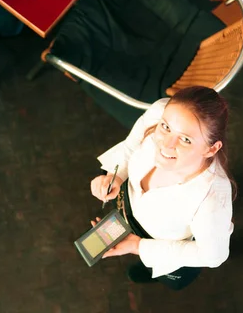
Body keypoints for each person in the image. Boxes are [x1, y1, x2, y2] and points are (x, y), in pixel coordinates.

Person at [90, 86, 235, 290]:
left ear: (211, 148)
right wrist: (115, 176)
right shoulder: (161, 112)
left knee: (159, 267)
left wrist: (138, 247)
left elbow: (213, 255)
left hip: (166, 243)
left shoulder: (210, 199)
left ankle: (154, 273)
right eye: (166, 128)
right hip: (129, 211)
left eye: (185, 139)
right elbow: (130, 147)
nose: (166, 144)